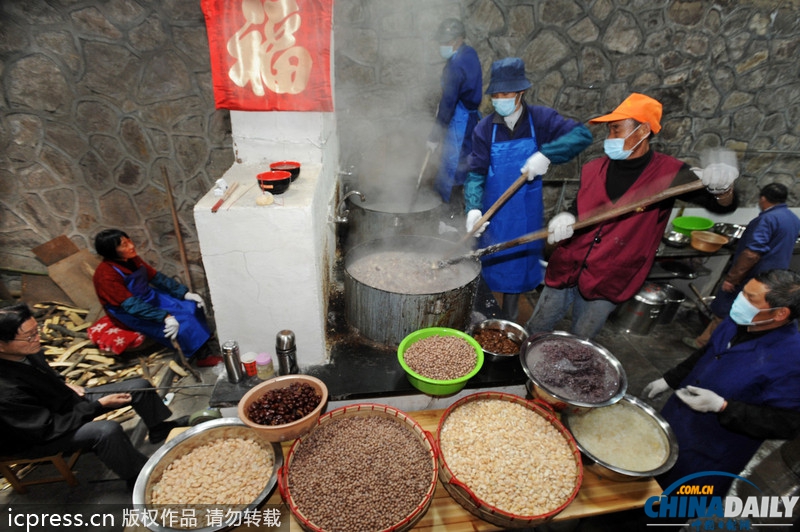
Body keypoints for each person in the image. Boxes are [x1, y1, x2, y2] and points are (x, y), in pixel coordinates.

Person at [525, 93, 739, 339]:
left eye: (616, 130)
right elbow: (579, 207)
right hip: (568, 264)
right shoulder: (593, 168)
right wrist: (567, 218)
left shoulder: (671, 174)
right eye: (609, 131)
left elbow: (722, 206)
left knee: (580, 342)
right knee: (537, 326)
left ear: (643, 130)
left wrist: (723, 189)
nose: (610, 138)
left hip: (610, 276)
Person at [643, 269, 800, 495]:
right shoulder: (740, 320)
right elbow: (706, 354)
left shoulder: (792, 359)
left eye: (750, 298)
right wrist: (670, 379)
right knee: (639, 488)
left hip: (710, 452)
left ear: (780, 313)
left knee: (666, 510)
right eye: (743, 292)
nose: (740, 300)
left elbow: (786, 423)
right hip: (678, 420)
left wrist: (723, 407)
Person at [0, 303, 189, 488]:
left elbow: (44, 373)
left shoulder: (26, 350)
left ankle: (159, 429)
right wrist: (99, 405)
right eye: (29, 336)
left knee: (139, 387)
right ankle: (139, 476)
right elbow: (47, 428)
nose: (37, 338)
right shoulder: (6, 390)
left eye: (36, 331)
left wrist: (64, 384)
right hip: (40, 435)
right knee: (106, 431)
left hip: (61, 403)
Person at [464, 57, 592, 321]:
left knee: (517, 273)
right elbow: (476, 173)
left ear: (521, 92)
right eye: (496, 94)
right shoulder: (484, 128)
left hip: (525, 214)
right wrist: (474, 208)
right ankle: (481, 318)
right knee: (485, 267)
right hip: (494, 214)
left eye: (506, 93)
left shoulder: (541, 119)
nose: (500, 99)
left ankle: (508, 321)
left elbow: (582, 135)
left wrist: (548, 154)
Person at [683, 182, 800, 349]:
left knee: (725, 311)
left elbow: (752, 253)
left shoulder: (767, 219)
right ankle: (729, 344)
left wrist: (733, 278)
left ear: (763, 198)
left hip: (754, 276)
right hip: (776, 278)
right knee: (754, 314)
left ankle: (705, 344)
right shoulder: (792, 218)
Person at [92, 229, 221, 366]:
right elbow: (131, 305)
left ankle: (204, 337)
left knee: (190, 306)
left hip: (149, 296)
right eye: (124, 245)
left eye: (128, 241)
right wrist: (165, 317)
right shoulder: (105, 275)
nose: (131, 246)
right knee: (183, 321)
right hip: (130, 311)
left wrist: (184, 293)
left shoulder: (132, 259)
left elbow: (156, 277)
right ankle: (202, 356)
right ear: (111, 251)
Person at [428, 18, 483, 209]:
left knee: (454, 167)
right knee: (466, 164)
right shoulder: (469, 53)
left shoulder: (455, 66)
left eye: (446, 41)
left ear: (458, 39)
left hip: (461, 120)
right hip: (471, 118)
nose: (442, 46)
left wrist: (434, 136)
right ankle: (461, 211)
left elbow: (448, 103)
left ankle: (451, 215)